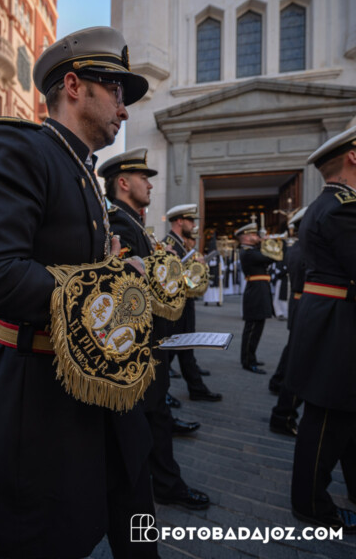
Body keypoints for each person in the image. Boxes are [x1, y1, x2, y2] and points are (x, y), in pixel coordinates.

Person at [0, 27, 159, 558]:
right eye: (115, 89)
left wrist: (119, 270)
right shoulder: (18, 148)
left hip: (103, 386)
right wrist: (110, 289)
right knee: (50, 541)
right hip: (40, 396)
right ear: (73, 85)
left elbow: (75, 263)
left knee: (135, 521)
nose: (124, 108)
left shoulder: (82, 169)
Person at [98, 148, 208, 511]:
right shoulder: (118, 222)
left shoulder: (132, 222)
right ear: (123, 182)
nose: (149, 185)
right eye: (143, 178)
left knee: (156, 415)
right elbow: (127, 288)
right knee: (150, 418)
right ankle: (162, 485)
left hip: (151, 340)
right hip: (139, 343)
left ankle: (162, 483)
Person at [285, 126, 356, 532]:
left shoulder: (324, 204)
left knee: (344, 412)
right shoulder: (344, 206)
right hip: (338, 321)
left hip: (330, 316)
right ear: (353, 157)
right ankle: (310, 502)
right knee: (327, 416)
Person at [164, 205, 222, 401]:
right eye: (190, 221)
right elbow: (170, 279)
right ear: (180, 221)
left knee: (185, 348)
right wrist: (195, 269)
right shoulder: (168, 244)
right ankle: (162, 394)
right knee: (170, 351)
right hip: (175, 306)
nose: (193, 225)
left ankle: (196, 388)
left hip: (184, 304)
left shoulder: (180, 244)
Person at [269, 208, 307, 437]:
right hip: (305, 303)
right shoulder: (305, 249)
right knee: (299, 357)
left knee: (294, 350)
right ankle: (283, 413)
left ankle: (277, 381)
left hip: (300, 302)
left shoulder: (296, 248)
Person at [236, 221, 274, 374]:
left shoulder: (253, 250)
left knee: (258, 327)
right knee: (252, 329)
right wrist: (268, 243)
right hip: (255, 291)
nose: (257, 236)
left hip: (260, 289)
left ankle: (251, 356)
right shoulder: (248, 252)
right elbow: (271, 257)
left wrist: (263, 242)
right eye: (253, 234)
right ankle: (247, 361)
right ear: (246, 237)